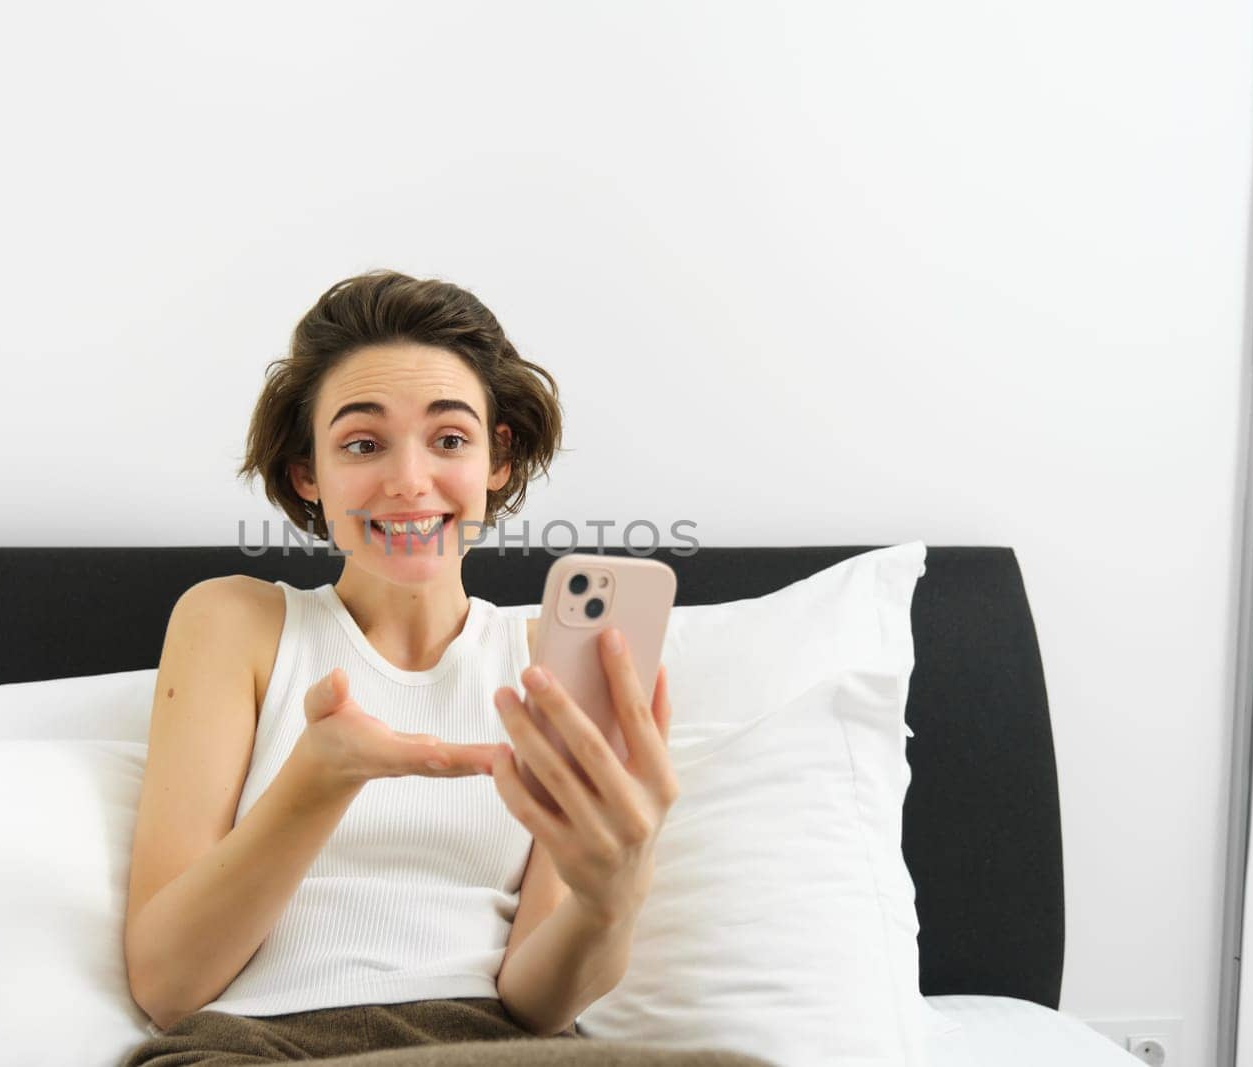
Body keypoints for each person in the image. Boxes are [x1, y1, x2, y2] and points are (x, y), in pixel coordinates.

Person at [117, 270, 772, 1066]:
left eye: (450, 438)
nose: (408, 480)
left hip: (495, 1047)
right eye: (362, 443)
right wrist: (316, 782)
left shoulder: (544, 664)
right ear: (306, 475)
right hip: (260, 1049)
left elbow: (539, 1000)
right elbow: (166, 981)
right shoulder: (237, 623)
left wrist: (613, 897)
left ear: (498, 459)